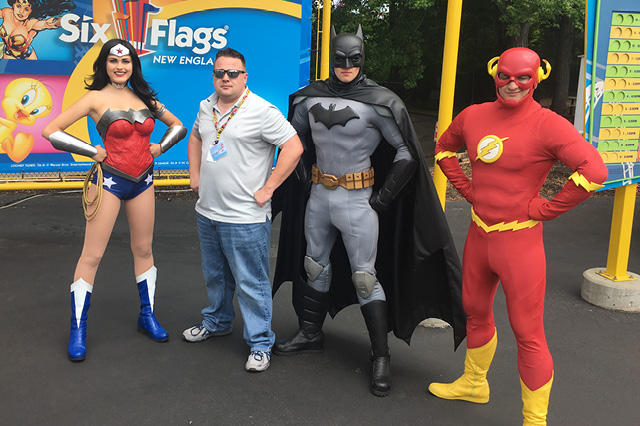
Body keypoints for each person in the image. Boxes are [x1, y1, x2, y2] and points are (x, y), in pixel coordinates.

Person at [271, 26, 466, 397]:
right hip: (318, 195)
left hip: (358, 200)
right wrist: (297, 175)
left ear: (362, 57)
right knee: (314, 264)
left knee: (365, 278)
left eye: (353, 59)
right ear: (331, 58)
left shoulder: (379, 101)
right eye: (339, 59)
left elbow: (407, 152)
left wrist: (384, 198)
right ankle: (311, 332)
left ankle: (381, 356)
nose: (346, 66)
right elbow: (292, 142)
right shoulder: (308, 99)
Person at [429, 47, 608, 425]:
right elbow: (444, 148)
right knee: (474, 311)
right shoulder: (474, 115)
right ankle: (475, 383)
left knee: (528, 331)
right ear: (495, 72)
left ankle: (534, 420)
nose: (512, 85)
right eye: (505, 76)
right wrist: (468, 190)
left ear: (538, 76)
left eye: (522, 77)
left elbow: (594, 170)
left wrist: (545, 209)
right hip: (480, 234)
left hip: (519, 241)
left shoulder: (548, 124)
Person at [42, 38, 187, 362]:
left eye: (125, 61)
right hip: (109, 181)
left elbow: (178, 126)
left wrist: (160, 147)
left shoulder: (146, 99)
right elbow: (51, 130)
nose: (120, 66)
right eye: (113, 61)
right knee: (91, 255)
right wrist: (91, 150)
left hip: (143, 182)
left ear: (133, 64)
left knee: (144, 249)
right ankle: (78, 329)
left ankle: (147, 315)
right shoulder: (95, 98)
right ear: (104, 64)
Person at [183, 47, 302, 373]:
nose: (225, 78)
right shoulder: (206, 106)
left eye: (232, 73)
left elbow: (294, 147)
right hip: (208, 212)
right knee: (216, 276)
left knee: (252, 282)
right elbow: (195, 137)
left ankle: (261, 342)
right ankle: (218, 321)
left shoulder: (262, 110)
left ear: (244, 77)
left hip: (245, 217)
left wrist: (269, 188)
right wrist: (194, 174)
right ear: (214, 76)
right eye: (220, 72)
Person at [0, 0, 75, 60]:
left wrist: (63, 21)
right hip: (8, 53)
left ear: (31, 11)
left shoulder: (30, 23)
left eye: (26, 9)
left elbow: (47, 24)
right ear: (13, 4)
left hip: (28, 56)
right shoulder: (6, 12)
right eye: (18, 6)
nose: (21, 12)